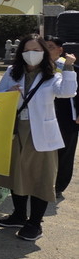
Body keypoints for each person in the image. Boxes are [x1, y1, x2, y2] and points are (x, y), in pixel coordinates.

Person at [0, 34, 76, 241]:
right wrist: (8, 92)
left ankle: (35, 223)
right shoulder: (12, 72)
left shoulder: (53, 74)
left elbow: (67, 92)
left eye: (37, 50)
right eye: (27, 50)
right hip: (16, 130)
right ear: (21, 52)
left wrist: (69, 67)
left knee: (40, 178)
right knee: (16, 174)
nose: (32, 54)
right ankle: (19, 215)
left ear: (44, 53)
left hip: (41, 132)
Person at [44, 36, 79, 198]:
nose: (46, 50)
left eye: (50, 47)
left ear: (60, 50)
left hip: (67, 116)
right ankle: (40, 183)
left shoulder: (71, 67)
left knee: (64, 153)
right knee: (43, 151)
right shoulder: (33, 68)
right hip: (43, 114)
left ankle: (58, 186)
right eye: (43, 47)